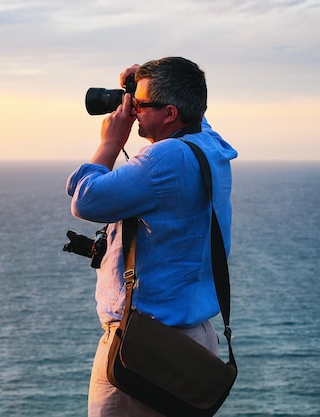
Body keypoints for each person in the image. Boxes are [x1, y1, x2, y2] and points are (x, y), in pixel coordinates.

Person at [66, 57, 238, 416]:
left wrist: (111, 141)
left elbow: (86, 199)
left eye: (140, 105)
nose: (131, 110)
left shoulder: (166, 158)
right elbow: (194, 113)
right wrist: (143, 85)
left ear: (171, 113)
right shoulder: (209, 144)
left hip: (144, 346)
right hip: (194, 342)